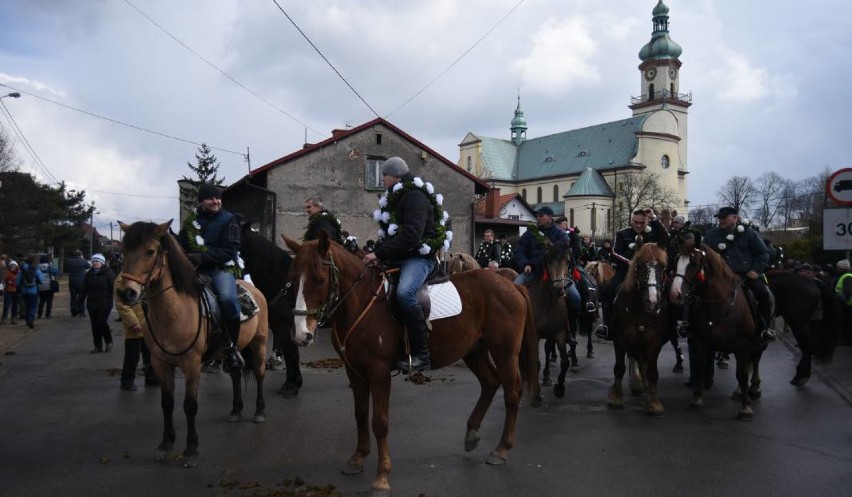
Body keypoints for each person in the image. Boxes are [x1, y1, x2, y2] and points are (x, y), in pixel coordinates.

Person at [363, 156, 448, 372]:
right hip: (401, 257)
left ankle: (421, 354)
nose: (383, 180)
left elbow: (411, 236)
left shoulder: (414, 197)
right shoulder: (397, 198)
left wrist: (379, 253)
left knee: (404, 294)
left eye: (385, 176)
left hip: (420, 258)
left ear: (395, 176)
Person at [178, 183, 245, 372]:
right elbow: (181, 245)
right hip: (194, 269)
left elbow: (229, 250)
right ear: (201, 201)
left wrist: (202, 257)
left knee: (227, 298)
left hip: (220, 268)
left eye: (218, 198)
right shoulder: (191, 222)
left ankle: (232, 347)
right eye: (210, 198)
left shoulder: (229, 220)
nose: (216, 201)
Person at [703, 206, 775, 341]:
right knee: (696, 294)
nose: (721, 221)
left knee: (764, 294)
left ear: (735, 217)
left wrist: (755, 270)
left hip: (746, 276)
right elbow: (702, 254)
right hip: (720, 277)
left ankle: (765, 328)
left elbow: (763, 253)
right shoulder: (711, 235)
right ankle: (690, 326)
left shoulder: (749, 233)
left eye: (724, 218)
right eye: (719, 218)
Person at [596, 208, 667, 339]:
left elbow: (664, 237)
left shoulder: (652, 233)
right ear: (631, 221)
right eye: (636, 222)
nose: (639, 225)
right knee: (608, 291)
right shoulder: (622, 234)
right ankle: (607, 326)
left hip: (649, 272)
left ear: (646, 222)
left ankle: (670, 326)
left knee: (667, 290)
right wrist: (631, 263)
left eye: (642, 223)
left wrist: (654, 218)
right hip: (626, 271)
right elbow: (615, 253)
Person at [114, 273, 157, 390]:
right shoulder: (123, 278)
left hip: (149, 323)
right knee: (132, 356)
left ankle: (152, 378)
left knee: (150, 354)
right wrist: (133, 322)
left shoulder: (147, 275)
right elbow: (122, 304)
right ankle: (127, 380)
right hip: (135, 324)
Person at [81, 253, 115, 352]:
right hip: (92, 303)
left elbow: (113, 288)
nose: (95, 263)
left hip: (105, 302)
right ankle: (98, 346)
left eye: (97, 261)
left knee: (101, 322)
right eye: (93, 261)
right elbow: (84, 289)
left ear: (102, 263)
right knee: (94, 325)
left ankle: (108, 341)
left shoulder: (108, 274)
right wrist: (79, 302)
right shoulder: (89, 274)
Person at [15, 256, 45, 329]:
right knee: (33, 307)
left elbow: (17, 282)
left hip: (24, 291)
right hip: (34, 291)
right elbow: (42, 280)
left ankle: (27, 320)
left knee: (27, 306)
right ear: (33, 262)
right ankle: (31, 320)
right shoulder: (35, 270)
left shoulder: (22, 270)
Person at [65, 249, 90, 317]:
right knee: (81, 297)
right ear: (80, 255)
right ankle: (81, 312)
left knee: (73, 297)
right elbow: (88, 266)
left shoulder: (69, 261)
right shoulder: (83, 261)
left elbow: (66, 267)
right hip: (81, 282)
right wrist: (82, 258)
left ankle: (73, 312)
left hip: (72, 281)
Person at [834, 259, 852, 346]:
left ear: (842, 268)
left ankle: (847, 341)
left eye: (838, 267)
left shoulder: (847, 276)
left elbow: (848, 291)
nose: (837, 269)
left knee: (847, 324)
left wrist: (842, 301)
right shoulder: (846, 275)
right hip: (848, 304)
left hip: (848, 305)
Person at [36, 255, 60, 319]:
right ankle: (48, 314)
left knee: (41, 301)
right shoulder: (50, 268)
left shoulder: (37, 268)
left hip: (40, 286)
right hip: (49, 286)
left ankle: (39, 314)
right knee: (49, 301)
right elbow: (57, 272)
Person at [1, 260, 20, 325]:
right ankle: (4, 318)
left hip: (17, 291)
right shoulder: (8, 273)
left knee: (15, 306)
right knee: (6, 306)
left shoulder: (19, 273)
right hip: (8, 291)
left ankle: (14, 318)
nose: (13, 267)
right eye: (12, 266)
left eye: (14, 266)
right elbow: (5, 280)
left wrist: (12, 282)